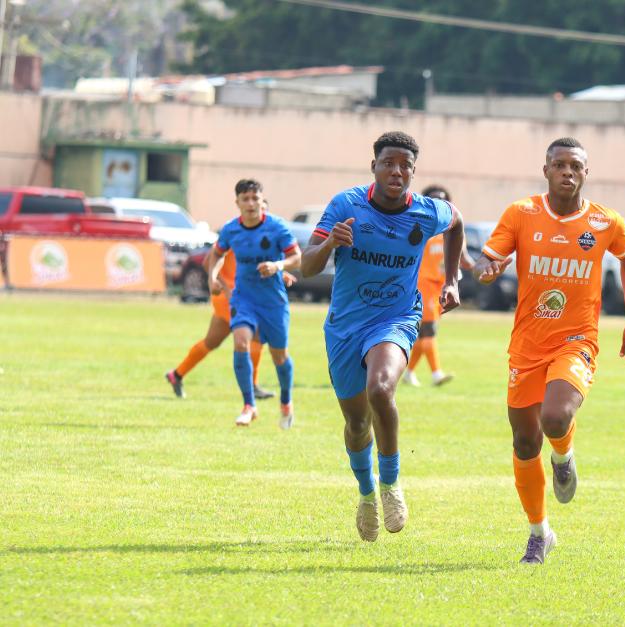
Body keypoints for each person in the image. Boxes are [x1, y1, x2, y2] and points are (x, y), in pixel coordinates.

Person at [473, 137, 625, 564]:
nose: (568, 172)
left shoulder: (605, 222)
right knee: (525, 442)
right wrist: (486, 270)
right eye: (560, 165)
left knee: (554, 416)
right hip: (527, 345)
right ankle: (539, 532)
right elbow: (485, 260)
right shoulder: (521, 213)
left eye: (576, 166)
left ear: (587, 173)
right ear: (545, 170)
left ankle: (564, 456)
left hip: (576, 341)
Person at [301, 131, 464, 542]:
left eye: (405, 165)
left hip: (395, 319)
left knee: (381, 387)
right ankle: (367, 493)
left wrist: (452, 278)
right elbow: (306, 266)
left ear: (413, 171)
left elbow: (456, 221)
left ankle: (391, 485)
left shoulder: (428, 212)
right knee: (357, 424)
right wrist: (330, 245)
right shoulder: (346, 205)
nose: (397, 171)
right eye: (388, 163)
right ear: (373, 166)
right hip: (345, 325)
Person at [204, 179, 302, 428]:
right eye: (245, 199)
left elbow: (297, 257)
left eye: (255, 199)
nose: (250, 204)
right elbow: (217, 253)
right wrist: (212, 277)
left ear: (262, 201)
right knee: (240, 342)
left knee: (279, 356)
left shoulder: (277, 227)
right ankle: (249, 405)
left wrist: (277, 266)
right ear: (237, 203)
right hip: (244, 298)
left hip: (273, 302)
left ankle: (286, 402)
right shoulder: (230, 230)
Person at [165, 235, 297, 401]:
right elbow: (208, 262)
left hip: (240, 297)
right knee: (257, 334)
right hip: (230, 298)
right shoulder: (234, 234)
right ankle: (253, 386)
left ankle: (176, 375)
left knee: (211, 342)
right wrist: (227, 290)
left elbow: (252, 267)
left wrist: (279, 274)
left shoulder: (257, 236)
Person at [401, 185, 474, 387]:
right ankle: (436, 374)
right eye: (434, 199)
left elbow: (465, 259)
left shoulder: (453, 229)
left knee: (422, 335)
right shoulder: (420, 228)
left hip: (441, 289)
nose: (439, 203)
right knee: (428, 330)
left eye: (443, 199)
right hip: (421, 286)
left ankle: (409, 373)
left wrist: (481, 268)